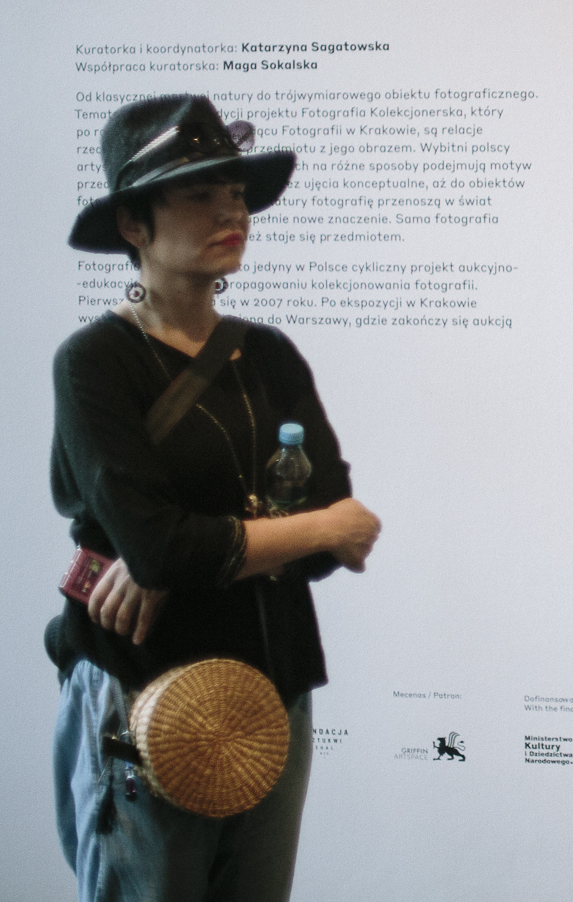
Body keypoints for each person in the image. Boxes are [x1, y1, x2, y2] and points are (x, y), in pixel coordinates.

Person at [50, 95, 383, 902]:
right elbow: (165, 546)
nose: (232, 210)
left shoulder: (268, 354)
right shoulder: (94, 362)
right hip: (146, 691)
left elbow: (338, 546)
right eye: (201, 193)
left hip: (272, 687)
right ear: (133, 224)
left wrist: (194, 551)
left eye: (235, 192)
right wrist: (310, 526)